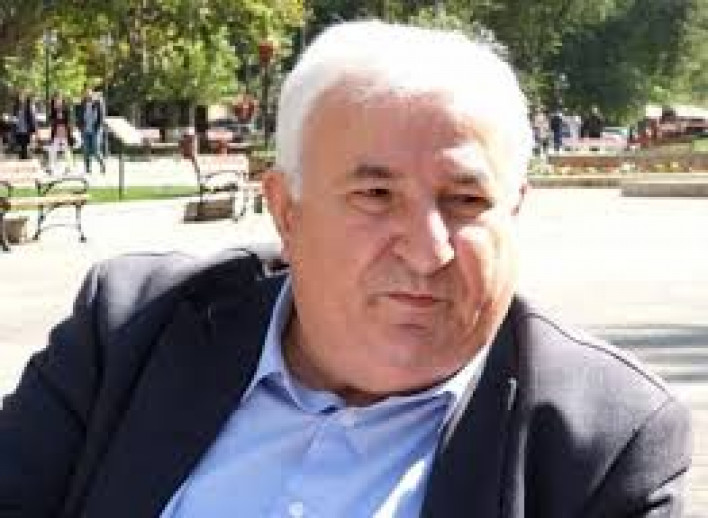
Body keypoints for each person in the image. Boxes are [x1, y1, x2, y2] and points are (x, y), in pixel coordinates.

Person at [0, 21, 691, 517]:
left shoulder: (604, 440)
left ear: (514, 210)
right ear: (286, 211)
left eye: (466, 201)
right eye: (375, 195)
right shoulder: (131, 329)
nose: (428, 250)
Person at [76, 86, 106, 174]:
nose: (87, 94)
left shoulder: (98, 102)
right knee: (86, 151)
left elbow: (101, 116)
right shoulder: (83, 103)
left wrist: (98, 127)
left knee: (96, 150)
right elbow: (79, 116)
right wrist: (80, 127)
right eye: (85, 93)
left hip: (95, 130)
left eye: (89, 92)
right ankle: (88, 169)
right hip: (85, 129)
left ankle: (102, 165)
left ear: (92, 92)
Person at [47, 92, 76, 175]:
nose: (57, 101)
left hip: (65, 132)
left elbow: (70, 121)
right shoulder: (53, 110)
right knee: (53, 150)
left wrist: (70, 131)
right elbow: (50, 121)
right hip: (56, 132)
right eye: (56, 100)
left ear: (62, 100)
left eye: (59, 99)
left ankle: (69, 167)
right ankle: (51, 168)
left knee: (66, 150)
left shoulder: (66, 109)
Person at [11, 90, 37, 160]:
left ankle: (24, 155)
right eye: (20, 96)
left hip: (26, 126)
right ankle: (22, 155)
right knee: (20, 141)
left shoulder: (28, 106)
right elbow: (14, 116)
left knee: (26, 142)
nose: (22, 98)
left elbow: (32, 117)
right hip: (18, 126)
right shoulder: (16, 106)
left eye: (23, 96)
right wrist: (14, 122)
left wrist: (33, 127)